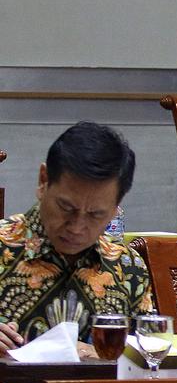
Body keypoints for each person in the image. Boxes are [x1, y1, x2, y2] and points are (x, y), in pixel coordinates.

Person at [0, 122, 152, 357]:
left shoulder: (128, 266)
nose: (77, 227)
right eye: (66, 207)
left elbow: (151, 357)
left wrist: (103, 356)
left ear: (116, 209)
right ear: (43, 181)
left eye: (95, 214)